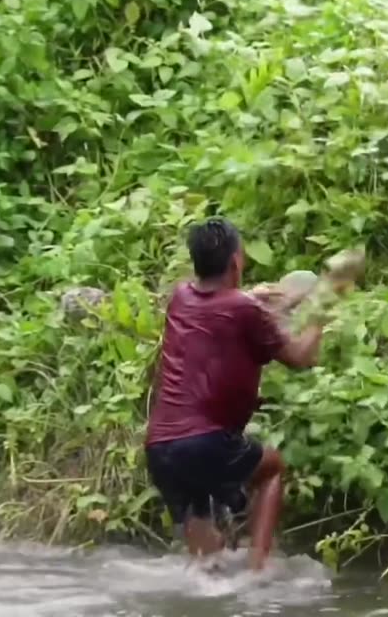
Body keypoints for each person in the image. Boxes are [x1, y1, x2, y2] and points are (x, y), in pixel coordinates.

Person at [143, 217, 329, 572]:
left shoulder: (180, 297)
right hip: (204, 441)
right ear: (236, 262)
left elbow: (218, 314)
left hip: (159, 447)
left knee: (207, 562)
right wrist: (320, 313)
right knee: (272, 467)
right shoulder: (246, 310)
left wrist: (252, 297)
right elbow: (301, 358)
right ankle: (258, 570)